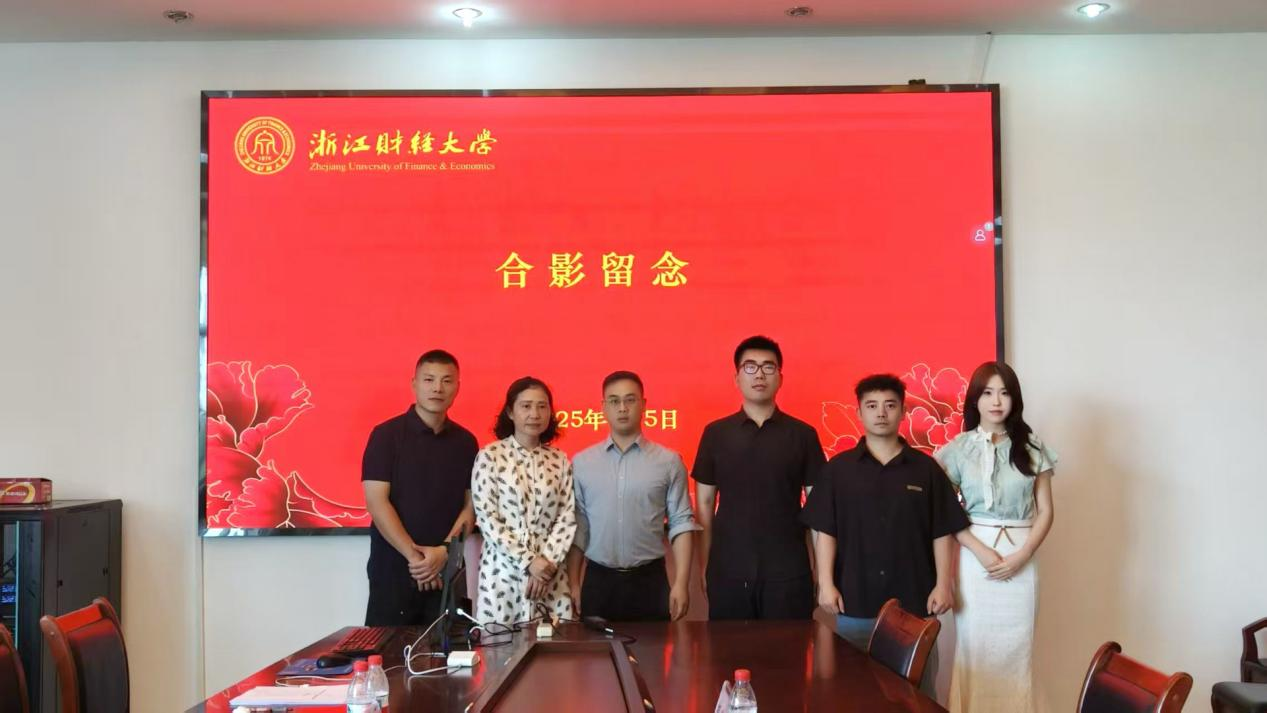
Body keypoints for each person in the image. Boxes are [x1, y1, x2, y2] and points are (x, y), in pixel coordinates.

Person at [801, 373, 969, 697]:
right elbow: (825, 531)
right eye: (872, 405)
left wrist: (943, 583)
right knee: (853, 693)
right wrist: (826, 583)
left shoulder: (926, 469)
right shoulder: (838, 470)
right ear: (859, 412)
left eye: (890, 405)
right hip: (854, 601)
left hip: (914, 604)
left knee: (917, 695)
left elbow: (942, 531)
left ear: (903, 411)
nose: (881, 413)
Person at [935, 362, 1057, 713]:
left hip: (1023, 556)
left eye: (1004, 393)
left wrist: (1024, 555)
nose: (996, 401)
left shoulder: (1032, 447)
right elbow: (946, 511)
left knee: (1019, 650)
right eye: (988, 393)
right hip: (975, 560)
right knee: (975, 650)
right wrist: (979, 550)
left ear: (1014, 399)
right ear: (975, 399)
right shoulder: (958, 449)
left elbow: (1046, 511)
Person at [692, 335, 825, 620]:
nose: (760, 374)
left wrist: (822, 572)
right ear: (737, 378)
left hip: (789, 570)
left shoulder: (803, 435)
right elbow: (704, 505)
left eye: (768, 367)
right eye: (750, 367)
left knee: (789, 647)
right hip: (728, 569)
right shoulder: (716, 433)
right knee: (728, 647)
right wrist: (704, 563)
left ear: (780, 378)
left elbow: (819, 510)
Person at [566, 371, 700, 621]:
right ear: (603, 407)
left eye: (630, 400)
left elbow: (681, 523)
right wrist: (573, 582)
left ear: (644, 404)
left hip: (649, 581)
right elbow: (578, 527)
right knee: (596, 648)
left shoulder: (668, 462)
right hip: (598, 582)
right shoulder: (582, 463)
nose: (622, 408)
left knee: (652, 648)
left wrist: (681, 583)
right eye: (614, 401)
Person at [361, 350, 478, 626]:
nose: (437, 388)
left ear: (457, 387)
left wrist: (443, 552)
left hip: (447, 571)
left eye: (447, 381)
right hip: (394, 569)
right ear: (414, 384)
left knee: (450, 650)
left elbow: (471, 506)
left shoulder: (466, 442)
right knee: (388, 649)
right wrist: (417, 559)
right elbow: (377, 502)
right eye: (429, 379)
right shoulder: (386, 435)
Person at [472, 376, 576, 628]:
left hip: (551, 573)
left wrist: (545, 566)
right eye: (526, 406)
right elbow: (487, 517)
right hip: (503, 570)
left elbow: (567, 516)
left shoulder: (559, 459)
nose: (534, 414)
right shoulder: (490, 456)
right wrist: (529, 561)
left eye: (542, 406)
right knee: (500, 645)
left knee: (555, 645)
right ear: (510, 411)